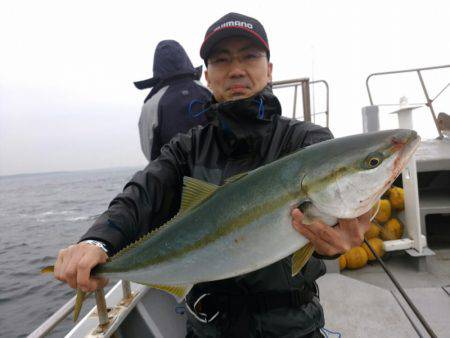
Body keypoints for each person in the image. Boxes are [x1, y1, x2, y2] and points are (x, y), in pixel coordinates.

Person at [54, 12, 370, 337]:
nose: (236, 70)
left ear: (269, 69)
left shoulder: (307, 142)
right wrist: (98, 240)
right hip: (208, 327)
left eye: (249, 56)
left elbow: (323, 217)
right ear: (207, 76)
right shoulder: (188, 149)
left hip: (293, 327)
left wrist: (331, 242)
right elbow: (141, 195)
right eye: (221, 60)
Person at [134, 39, 211, 161]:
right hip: (219, 173)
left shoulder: (151, 106)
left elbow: (149, 151)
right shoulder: (209, 92)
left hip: (171, 176)